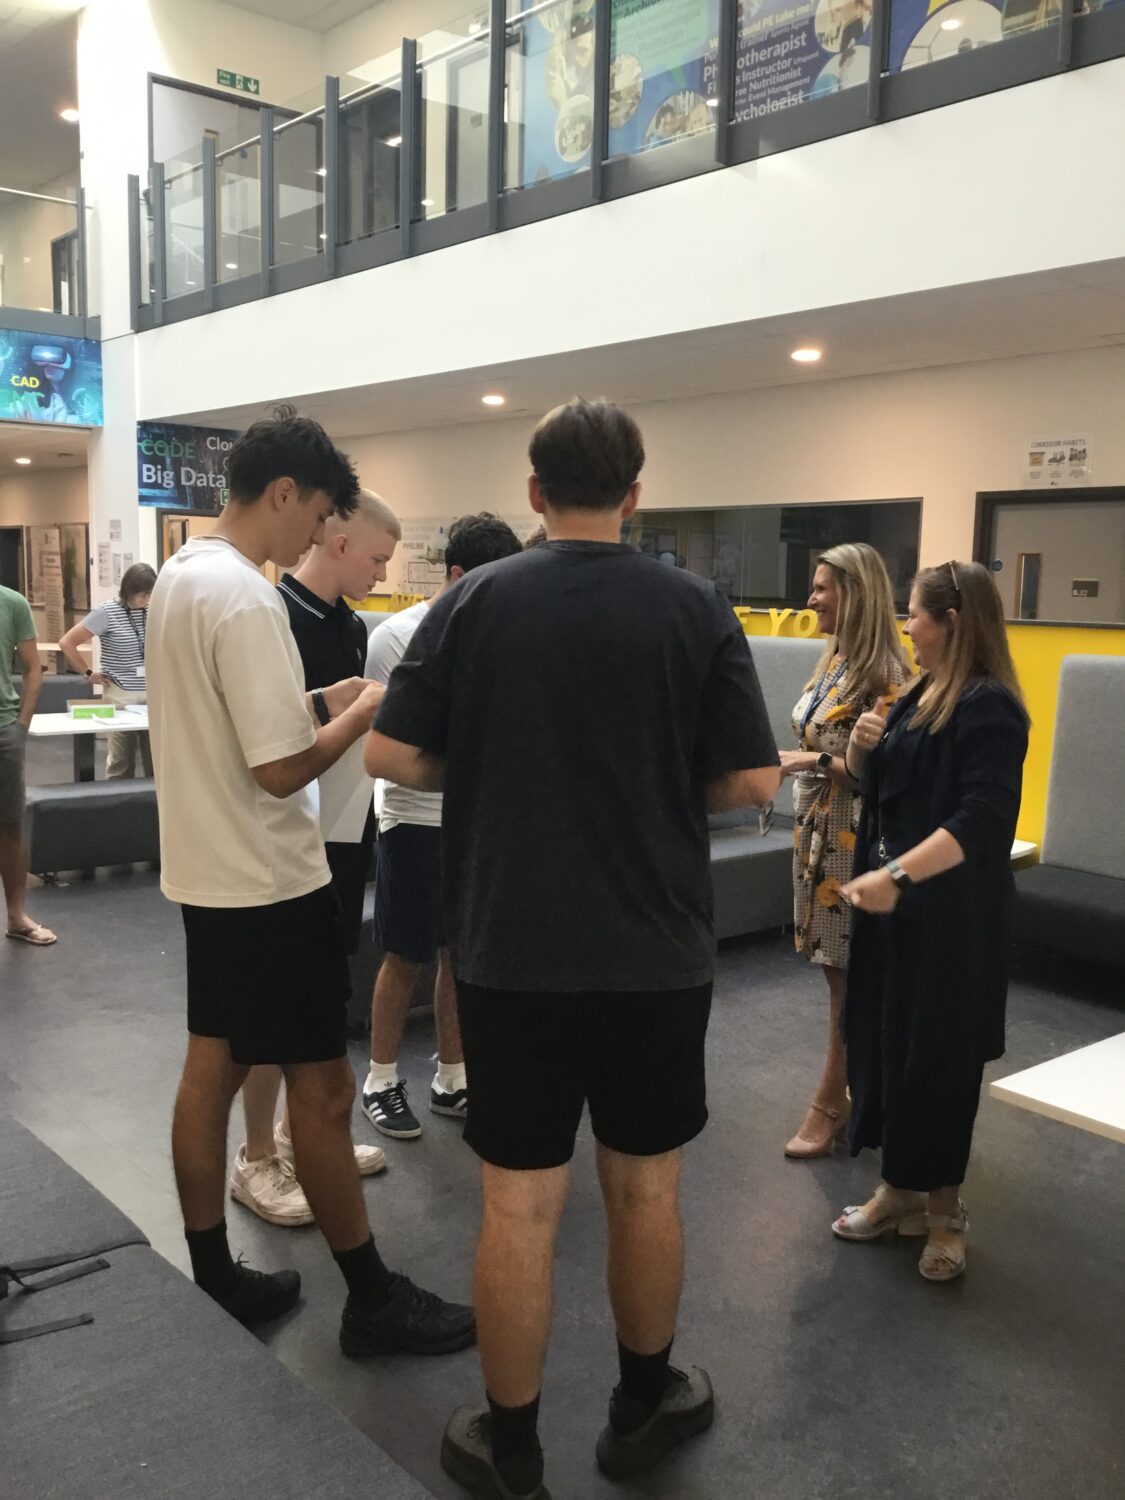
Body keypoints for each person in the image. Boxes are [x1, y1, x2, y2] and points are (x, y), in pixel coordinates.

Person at [365, 399, 781, 1500]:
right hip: (657, 953)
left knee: (518, 1205)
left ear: (536, 492)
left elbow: (394, 752)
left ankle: (511, 1449)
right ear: (635, 493)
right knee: (646, 1191)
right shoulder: (696, 609)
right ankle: (643, 1411)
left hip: (511, 953)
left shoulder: (475, 603)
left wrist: (498, 777)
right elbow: (748, 782)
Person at [147, 405, 475, 1357]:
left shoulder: (184, 576)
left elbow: (235, 725)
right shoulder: (248, 597)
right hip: (269, 880)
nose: (319, 537)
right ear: (284, 493)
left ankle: (213, 1269)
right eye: (318, 514)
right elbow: (281, 770)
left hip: (209, 873)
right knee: (324, 1095)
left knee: (211, 1062)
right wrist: (364, 706)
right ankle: (372, 1300)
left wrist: (310, 702)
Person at [834, 561, 1029, 1284]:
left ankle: (944, 1213)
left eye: (913, 615)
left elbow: (978, 822)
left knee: (939, 1062)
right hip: (900, 914)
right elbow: (883, 788)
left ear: (951, 622)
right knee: (889, 1048)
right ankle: (897, 1191)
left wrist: (894, 875)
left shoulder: (990, 708)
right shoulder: (920, 693)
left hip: (952, 921)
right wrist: (861, 748)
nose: (906, 627)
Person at [232, 489, 401, 1226]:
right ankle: (257, 1153)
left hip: (344, 822)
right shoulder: (272, 615)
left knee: (320, 994)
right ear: (337, 545)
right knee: (274, 1003)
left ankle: (307, 1137)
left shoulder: (351, 624)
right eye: (376, 558)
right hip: (286, 833)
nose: (383, 572)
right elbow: (273, 742)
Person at [361, 513, 523, 1142]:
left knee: (462, 953)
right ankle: (379, 1078)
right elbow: (404, 745)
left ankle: (452, 1075)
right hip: (414, 817)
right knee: (406, 952)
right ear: (456, 576)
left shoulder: (500, 634)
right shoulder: (399, 638)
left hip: (477, 820)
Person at [779, 543, 910, 1159]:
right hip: (818, 833)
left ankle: (831, 1104)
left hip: (855, 840)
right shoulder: (836, 662)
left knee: (848, 982)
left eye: (823, 588)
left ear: (857, 593)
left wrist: (809, 759)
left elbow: (883, 777)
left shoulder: (888, 674)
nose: (812, 599)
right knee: (838, 975)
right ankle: (861, 1097)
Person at [59, 563, 157, 780]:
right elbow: (67, 642)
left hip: (153, 694)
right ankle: (117, 808)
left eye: (151, 594)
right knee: (121, 761)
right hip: (120, 695)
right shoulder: (106, 612)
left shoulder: (153, 610)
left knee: (157, 760)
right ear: (129, 590)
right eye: (143, 594)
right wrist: (88, 673)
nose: (147, 599)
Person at [1, 583, 55, 947]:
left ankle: (17, 916)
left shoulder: (12, 603)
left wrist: (21, 726)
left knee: (10, 824)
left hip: (4, 730)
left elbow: (33, 667)